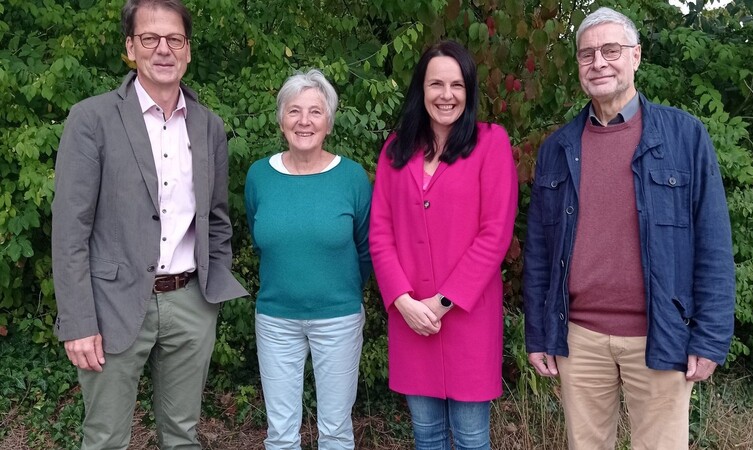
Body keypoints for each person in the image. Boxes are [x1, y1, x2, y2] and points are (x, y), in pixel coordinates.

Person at [523, 6, 736, 449]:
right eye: (587, 54)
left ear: (636, 57)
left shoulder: (685, 137)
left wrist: (711, 337)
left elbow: (713, 243)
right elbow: (540, 252)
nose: (598, 62)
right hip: (579, 337)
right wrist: (539, 333)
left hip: (661, 334)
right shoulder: (558, 148)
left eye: (611, 50)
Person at [51, 0, 248, 448]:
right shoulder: (92, 119)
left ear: (188, 50)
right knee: (105, 439)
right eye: (150, 38)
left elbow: (216, 218)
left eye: (174, 39)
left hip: (190, 304)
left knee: (182, 436)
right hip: (110, 307)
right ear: (130, 47)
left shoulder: (209, 126)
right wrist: (79, 321)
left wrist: (210, 293)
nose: (163, 49)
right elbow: (69, 232)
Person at [370, 40, 518, 450]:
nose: (446, 95)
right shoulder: (396, 150)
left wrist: (441, 303)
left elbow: (495, 234)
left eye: (457, 85)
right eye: (436, 84)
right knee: (426, 437)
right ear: (421, 89)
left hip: (466, 320)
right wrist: (403, 301)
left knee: (471, 439)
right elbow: (380, 233)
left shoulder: (491, 143)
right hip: (411, 317)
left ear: (468, 92)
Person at [245, 69, 372, 450]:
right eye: (294, 111)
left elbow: (366, 248)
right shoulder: (259, 176)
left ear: (329, 122)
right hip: (276, 319)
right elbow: (260, 237)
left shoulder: (351, 177)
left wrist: (338, 290)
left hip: (338, 318)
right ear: (281, 119)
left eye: (315, 112)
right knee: (280, 434)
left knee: (335, 430)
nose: (304, 121)